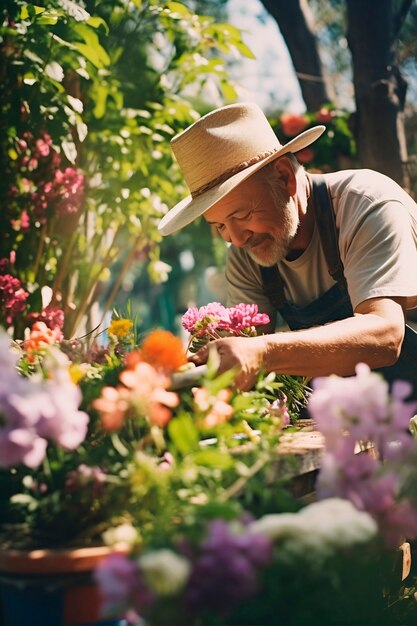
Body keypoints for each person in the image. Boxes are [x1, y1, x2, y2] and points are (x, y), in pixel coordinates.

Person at [158, 102, 417, 395]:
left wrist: (263, 352)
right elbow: (242, 364)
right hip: (359, 416)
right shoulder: (247, 256)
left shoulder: (366, 205)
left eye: (241, 216)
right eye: (219, 226)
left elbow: (385, 336)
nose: (236, 239)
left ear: (284, 178)